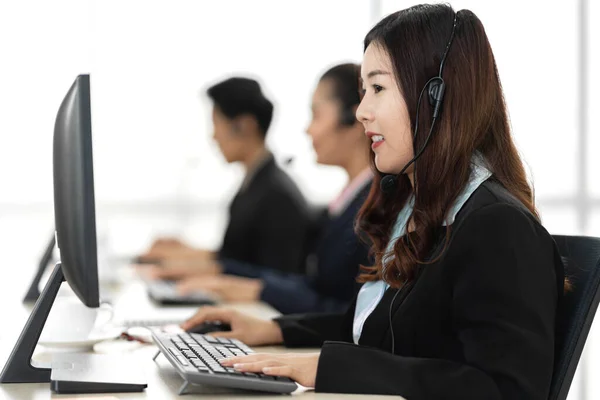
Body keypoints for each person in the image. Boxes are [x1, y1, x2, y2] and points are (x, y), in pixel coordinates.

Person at [179, 5, 566, 398]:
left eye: (377, 89)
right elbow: (373, 330)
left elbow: (507, 390)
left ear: (435, 98)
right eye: (364, 92)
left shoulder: (496, 226)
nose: (362, 112)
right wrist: (275, 330)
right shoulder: (420, 211)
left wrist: (333, 367)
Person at [146, 63, 374, 314]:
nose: (213, 136)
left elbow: (342, 306)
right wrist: (201, 263)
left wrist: (236, 282)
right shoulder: (344, 204)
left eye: (316, 115)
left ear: (353, 118)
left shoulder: (281, 194)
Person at [139, 77, 311, 274]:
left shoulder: (277, 194)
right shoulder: (255, 183)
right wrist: (181, 253)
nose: (214, 136)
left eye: (216, 123)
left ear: (245, 125)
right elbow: (235, 256)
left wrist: (189, 268)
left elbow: (271, 275)